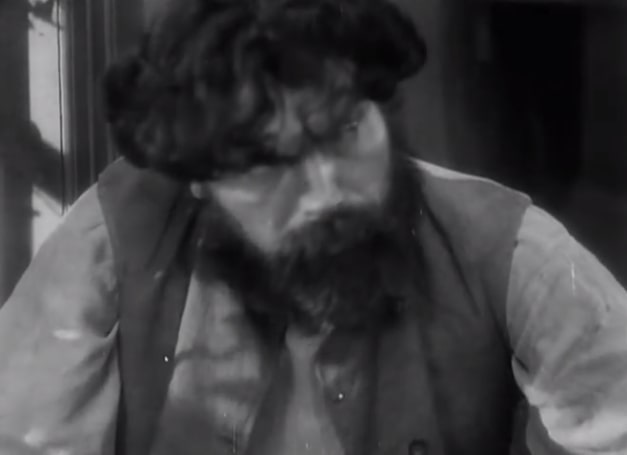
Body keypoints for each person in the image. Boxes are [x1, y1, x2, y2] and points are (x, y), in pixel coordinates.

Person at [1, 0, 626, 454]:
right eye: (266, 161)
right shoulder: (114, 235)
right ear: (197, 175)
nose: (327, 191)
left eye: (345, 129)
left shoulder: (507, 247)